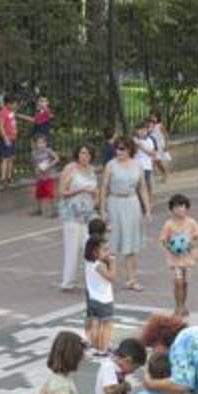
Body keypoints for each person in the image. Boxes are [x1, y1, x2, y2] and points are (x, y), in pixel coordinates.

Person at [100, 136, 150, 291]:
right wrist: (102, 209)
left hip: (132, 204)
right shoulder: (110, 165)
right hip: (115, 203)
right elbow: (104, 187)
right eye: (117, 148)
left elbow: (142, 188)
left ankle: (132, 279)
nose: (118, 151)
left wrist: (147, 209)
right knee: (111, 244)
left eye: (122, 148)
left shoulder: (138, 165)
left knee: (131, 245)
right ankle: (105, 279)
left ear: (130, 149)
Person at [139, 315, 198, 394]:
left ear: (159, 341)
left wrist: (150, 384)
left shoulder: (179, 344)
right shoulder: (190, 334)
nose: (154, 353)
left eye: (153, 347)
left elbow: (182, 385)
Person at [58, 144, 99, 292]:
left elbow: (96, 190)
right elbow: (62, 192)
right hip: (72, 214)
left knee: (90, 247)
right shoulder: (70, 168)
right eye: (82, 153)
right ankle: (67, 282)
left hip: (88, 214)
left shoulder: (92, 170)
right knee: (72, 248)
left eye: (88, 154)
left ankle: (93, 279)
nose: (85, 156)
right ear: (77, 154)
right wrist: (81, 189)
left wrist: (96, 198)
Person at [158, 194, 198, 318]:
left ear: (186, 207)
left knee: (185, 282)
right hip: (175, 257)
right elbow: (163, 239)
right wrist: (170, 247)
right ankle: (177, 307)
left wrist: (191, 244)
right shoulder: (169, 224)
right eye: (176, 207)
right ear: (172, 209)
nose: (179, 209)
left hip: (187, 256)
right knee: (178, 282)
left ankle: (183, 306)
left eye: (182, 206)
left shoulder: (191, 222)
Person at [85, 234, 117, 357]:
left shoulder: (89, 263)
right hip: (104, 300)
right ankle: (103, 349)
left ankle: (95, 347)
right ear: (95, 252)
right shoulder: (100, 265)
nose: (108, 253)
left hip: (93, 299)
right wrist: (113, 263)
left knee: (95, 324)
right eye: (104, 250)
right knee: (107, 325)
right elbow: (112, 277)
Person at [32, 134, 61, 218]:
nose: (41, 145)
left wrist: (49, 165)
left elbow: (57, 158)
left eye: (43, 143)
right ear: (36, 144)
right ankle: (39, 210)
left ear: (46, 143)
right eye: (39, 143)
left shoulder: (48, 151)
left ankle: (55, 210)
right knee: (38, 194)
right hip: (40, 177)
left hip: (48, 176)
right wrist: (36, 170)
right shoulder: (34, 153)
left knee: (50, 193)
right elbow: (34, 164)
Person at [0, 94, 20, 187]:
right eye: (14, 104)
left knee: (11, 158)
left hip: (13, 138)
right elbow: (1, 127)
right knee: (5, 158)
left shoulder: (11, 111)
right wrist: (5, 138)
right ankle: (3, 179)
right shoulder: (3, 112)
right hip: (7, 139)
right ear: (8, 103)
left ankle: (9, 177)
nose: (15, 105)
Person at [134, 121, 159, 200]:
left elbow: (153, 153)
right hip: (136, 167)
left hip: (147, 167)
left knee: (147, 185)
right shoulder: (134, 140)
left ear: (147, 130)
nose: (141, 132)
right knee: (139, 186)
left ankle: (149, 200)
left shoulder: (150, 140)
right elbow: (131, 152)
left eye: (143, 130)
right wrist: (136, 145)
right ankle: (143, 201)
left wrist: (141, 146)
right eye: (139, 130)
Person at [148, 112, 171, 183]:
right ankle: (163, 174)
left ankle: (165, 174)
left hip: (160, 145)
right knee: (156, 162)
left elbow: (166, 135)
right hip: (154, 146)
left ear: (157, 117)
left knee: (159, 161)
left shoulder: (160, 126)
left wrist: (167, 145)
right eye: (151, 116)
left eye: (154, 117)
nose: (152, 118)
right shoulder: (150, 126)